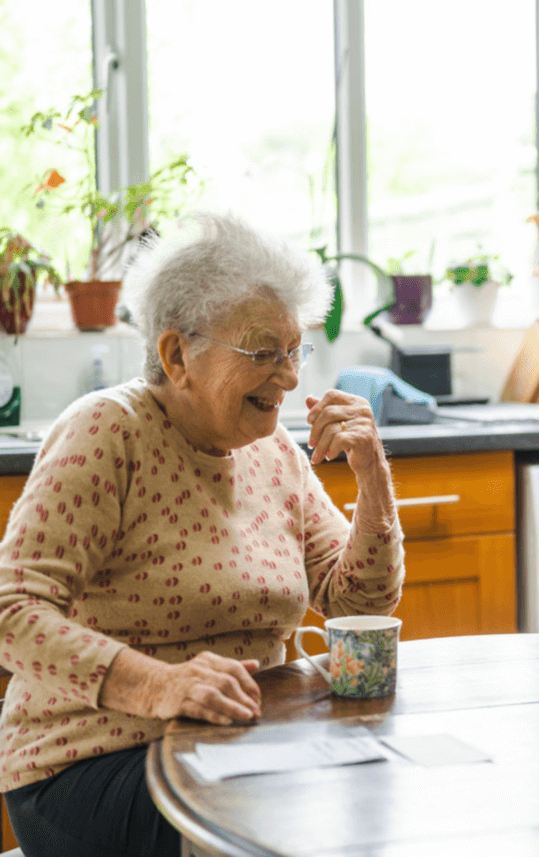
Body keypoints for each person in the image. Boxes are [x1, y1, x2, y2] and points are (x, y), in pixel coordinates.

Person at [0, 213, 405, 857]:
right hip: (92, 763)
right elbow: (11, 612)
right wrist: (161, 686)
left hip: (242, 743)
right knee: (288, 827)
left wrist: (372, 477)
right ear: (176, 354)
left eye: (293, 351)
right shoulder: (107, 433)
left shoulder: (274, 452)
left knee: (386, 797)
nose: (290, 377)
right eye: (262, 353)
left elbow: (358, 603)